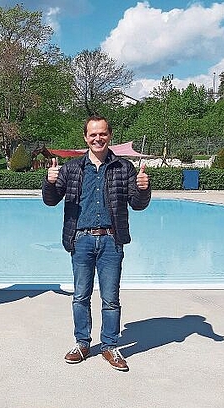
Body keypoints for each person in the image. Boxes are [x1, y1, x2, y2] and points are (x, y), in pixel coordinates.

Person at [42, 115, 150, 371]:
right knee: (80, 296)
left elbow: (137, 204)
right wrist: (49, 181)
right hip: (81, 240)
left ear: (109, 135)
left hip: (111, 241)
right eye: (93, 134)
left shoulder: (124, 168)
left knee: (111, 298)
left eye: (102, 134)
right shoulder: (72, 168)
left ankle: (109, 346)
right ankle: (82, 343)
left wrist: (143, 189)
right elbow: (51, 200)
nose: (97, 138)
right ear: (85, 137)